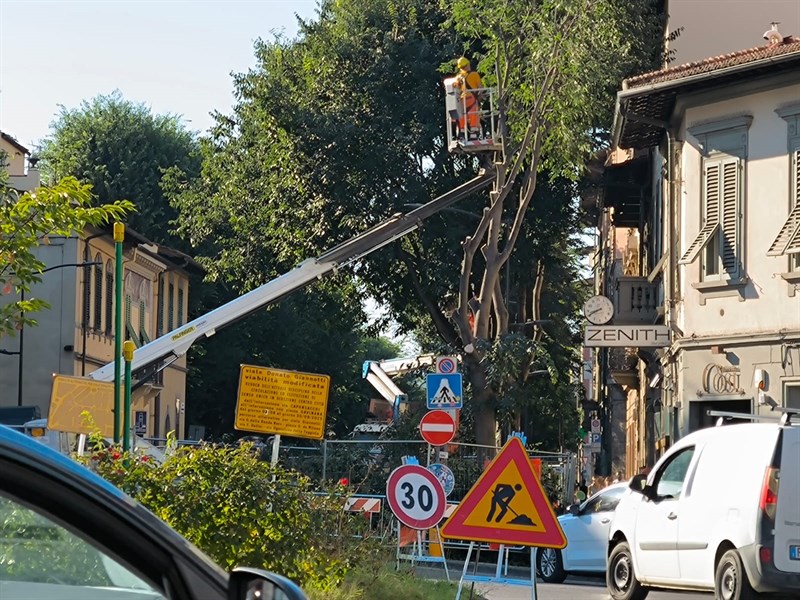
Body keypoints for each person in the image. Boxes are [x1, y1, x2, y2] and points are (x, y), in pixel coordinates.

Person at [453, 57, 483, 140]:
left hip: (462, 100)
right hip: (472, 99)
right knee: (473, 115)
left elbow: (456, 89)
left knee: (461, 116)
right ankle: (473, 135)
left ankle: (461, 134)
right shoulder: (474, 75)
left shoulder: (458, 77)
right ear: (468, 64)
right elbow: (480, 88)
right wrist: (479, 99)